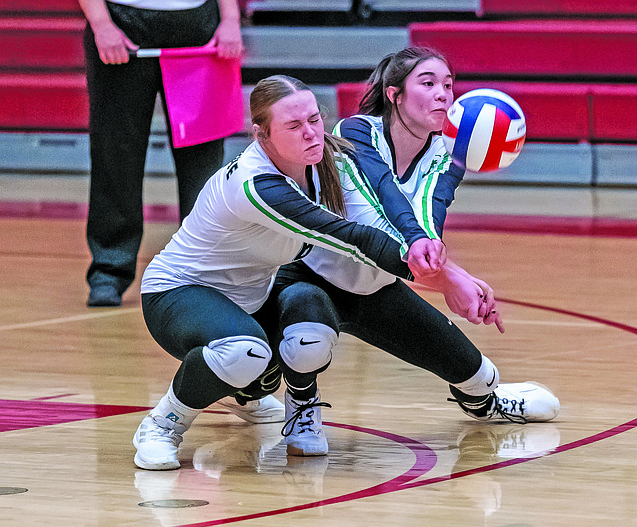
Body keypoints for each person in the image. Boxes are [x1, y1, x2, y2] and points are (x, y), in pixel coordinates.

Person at [133, 75, 450, 471]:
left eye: (314, 120)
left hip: (249, 300)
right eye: (294, 126)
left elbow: (382, 208)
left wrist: (421, 241)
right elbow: (349, 237)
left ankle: (289, 411)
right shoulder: (257, 185)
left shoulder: (324, 162)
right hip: (177, 295)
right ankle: (162, 425)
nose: (310, 133)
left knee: (310, 313)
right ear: (262, 135)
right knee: (244, 351)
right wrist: (441, 277)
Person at [270, 47, 559, 457]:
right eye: (428, 83)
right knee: (297, 344)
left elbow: (428, 214)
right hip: (309, 277)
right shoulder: (356, 132)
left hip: (378, 287)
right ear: (395, 95)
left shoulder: (448, 155)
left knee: (479, 376)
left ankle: (486, 400)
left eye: (448, 84)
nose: (443, 94)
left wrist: (442, 264)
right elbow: (382, 214)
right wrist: (450, 279)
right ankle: (286, 400)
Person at [78, 0, 244, 307]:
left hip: (197, 23)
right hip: (120, 19)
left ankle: (204, 269)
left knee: (202, 157)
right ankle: (109, 270)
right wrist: (101, 23)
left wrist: (231, 18)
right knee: (115, 151)